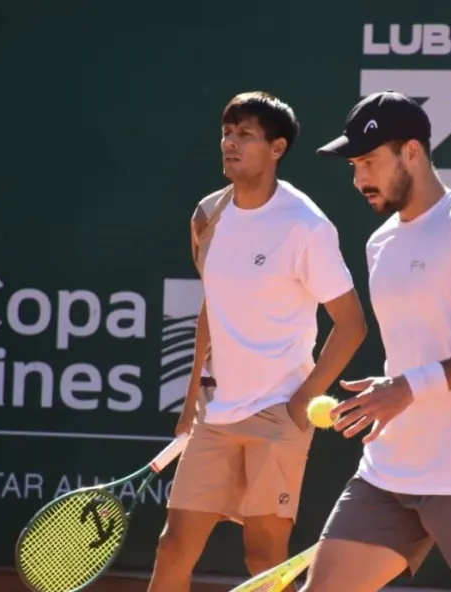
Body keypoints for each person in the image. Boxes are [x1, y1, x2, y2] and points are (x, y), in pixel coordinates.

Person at [302, 91, 451, 592]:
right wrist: (397, 387)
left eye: (368, 162)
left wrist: (409, 387)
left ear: (412, 152)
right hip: (389, 471)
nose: (359, 178)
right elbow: (411, 349)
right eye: (354, 166)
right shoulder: (379, 243)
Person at [147, 91, 368, 592]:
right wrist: (190, 405)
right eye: (227, 132)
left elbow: (352, 324)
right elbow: (212, 307)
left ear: (277, 148)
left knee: (264, 556)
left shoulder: (305, 226)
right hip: (215, 412)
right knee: (174, 543)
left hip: (278, 414)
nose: (230, 143)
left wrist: (301, 401)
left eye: (245, 134)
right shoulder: (209, 215)